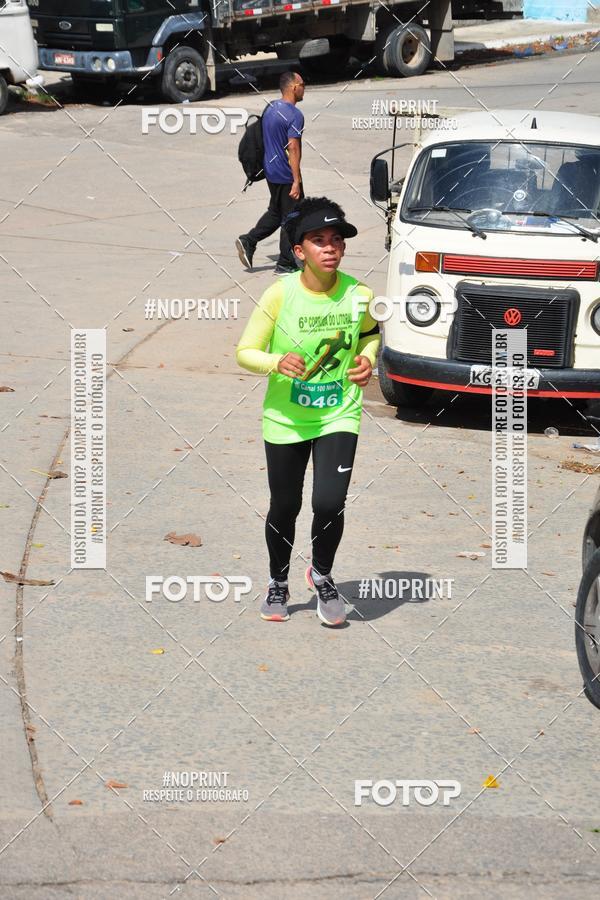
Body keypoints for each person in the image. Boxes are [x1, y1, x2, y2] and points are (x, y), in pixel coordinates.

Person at [236, 197, 380, 626]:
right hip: (286, 418)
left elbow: (370, 334)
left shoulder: (359, 295)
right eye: (319, 240)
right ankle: (278, 581)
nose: (330, 247)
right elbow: (245, 351)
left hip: (339, 413)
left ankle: (321, 574)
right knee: (285, 505)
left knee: (329, 502)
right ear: (299, 251)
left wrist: (368, 359)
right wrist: (275, 362)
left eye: (336, 239)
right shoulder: (280, 294)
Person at [236, 71, 305, 275]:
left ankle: (248, 241)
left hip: (270, 170)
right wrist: (296, 180)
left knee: (276, 212)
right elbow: (293, 148)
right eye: (302, 85)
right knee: (293, 217)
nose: (304, 89)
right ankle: (285, 263)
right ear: (294, 87)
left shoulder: (271, 108)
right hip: (285, 173)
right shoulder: (295, 115)